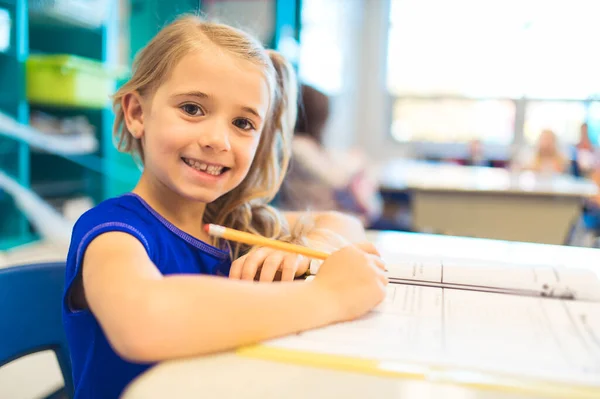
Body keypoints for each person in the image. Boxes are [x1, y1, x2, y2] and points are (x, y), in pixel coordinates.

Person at [62, 16, 387, 399]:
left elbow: (344, 222)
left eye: (242, 123)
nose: (218, 140)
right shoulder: (112, 231)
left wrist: (313, 246)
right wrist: (329, 296)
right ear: (137, 113)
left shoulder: (237, 224)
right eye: (193, 109)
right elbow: (143, 321)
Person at [279, 84, 384, 226]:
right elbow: (335, 178)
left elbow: (333, 162)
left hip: (327, 216)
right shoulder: (298, 145)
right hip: (312, 219)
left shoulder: (312, 145)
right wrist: (357, 161)